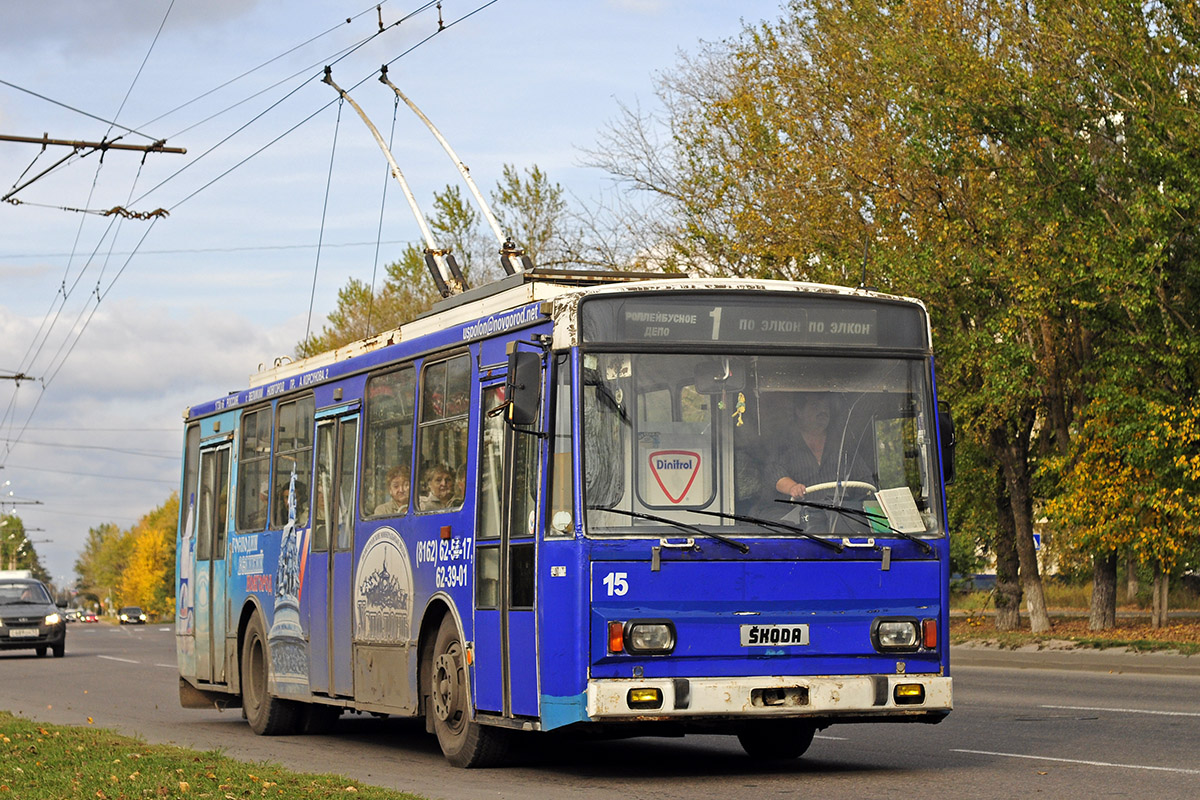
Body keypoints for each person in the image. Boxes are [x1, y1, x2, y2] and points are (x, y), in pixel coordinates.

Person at [770, 392, 871, 501]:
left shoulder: (842, 443)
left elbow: (865, 480)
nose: (823, 411)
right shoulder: (784, 443)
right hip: (795, 510)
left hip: (840, 510)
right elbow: (775, 473)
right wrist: (793, 488)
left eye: (826, 407)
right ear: (799, 411)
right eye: (815, 406)